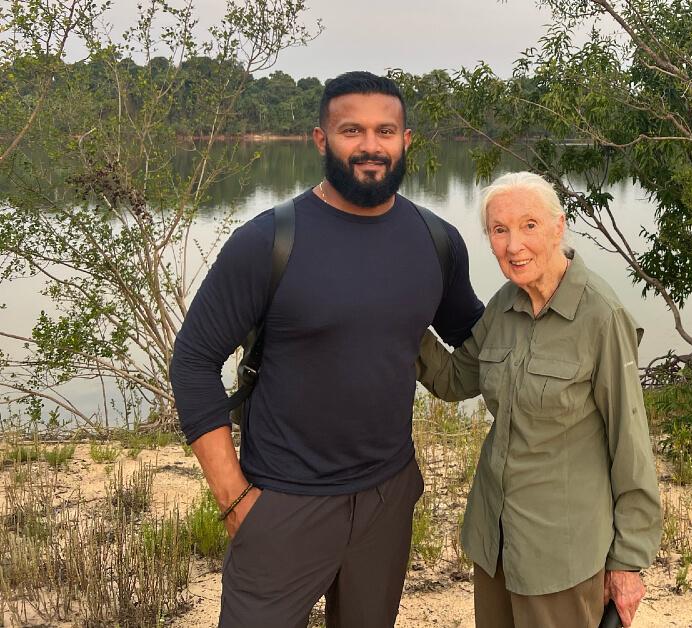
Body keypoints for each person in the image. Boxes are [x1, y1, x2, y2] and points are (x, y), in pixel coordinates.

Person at [170, 71, 484, 627]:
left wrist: (562, 298)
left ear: (406, 140)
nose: (370, 146)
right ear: (321, 139)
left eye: (385, 131)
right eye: (351, 130)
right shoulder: (268, 241)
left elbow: (479, 338)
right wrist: (234, 498)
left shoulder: (435, 242)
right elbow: (193, 361)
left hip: (387, 496)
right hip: (283, 500)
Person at [417, 171, 663, 628]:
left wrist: (629, 561)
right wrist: (399, 319)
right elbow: (454, 380)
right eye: (499, 230)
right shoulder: (503, 305)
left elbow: (631, 445)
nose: (514, 246)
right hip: (495, 543)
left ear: (558, 227)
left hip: (561, 555)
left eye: (529, 225)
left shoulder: (601, 316)